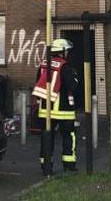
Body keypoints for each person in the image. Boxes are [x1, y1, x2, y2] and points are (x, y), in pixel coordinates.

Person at [33, 38, 80, 176]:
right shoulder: (65, 66)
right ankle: (69, 166)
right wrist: (76, 77)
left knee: (47, 137)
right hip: (63, 110)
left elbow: (38, 82)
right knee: (69, 136)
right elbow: (72, 86)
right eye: (67, 51)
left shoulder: (43, 65)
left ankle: (46, 167)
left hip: (45, 110)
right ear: (62, 52)